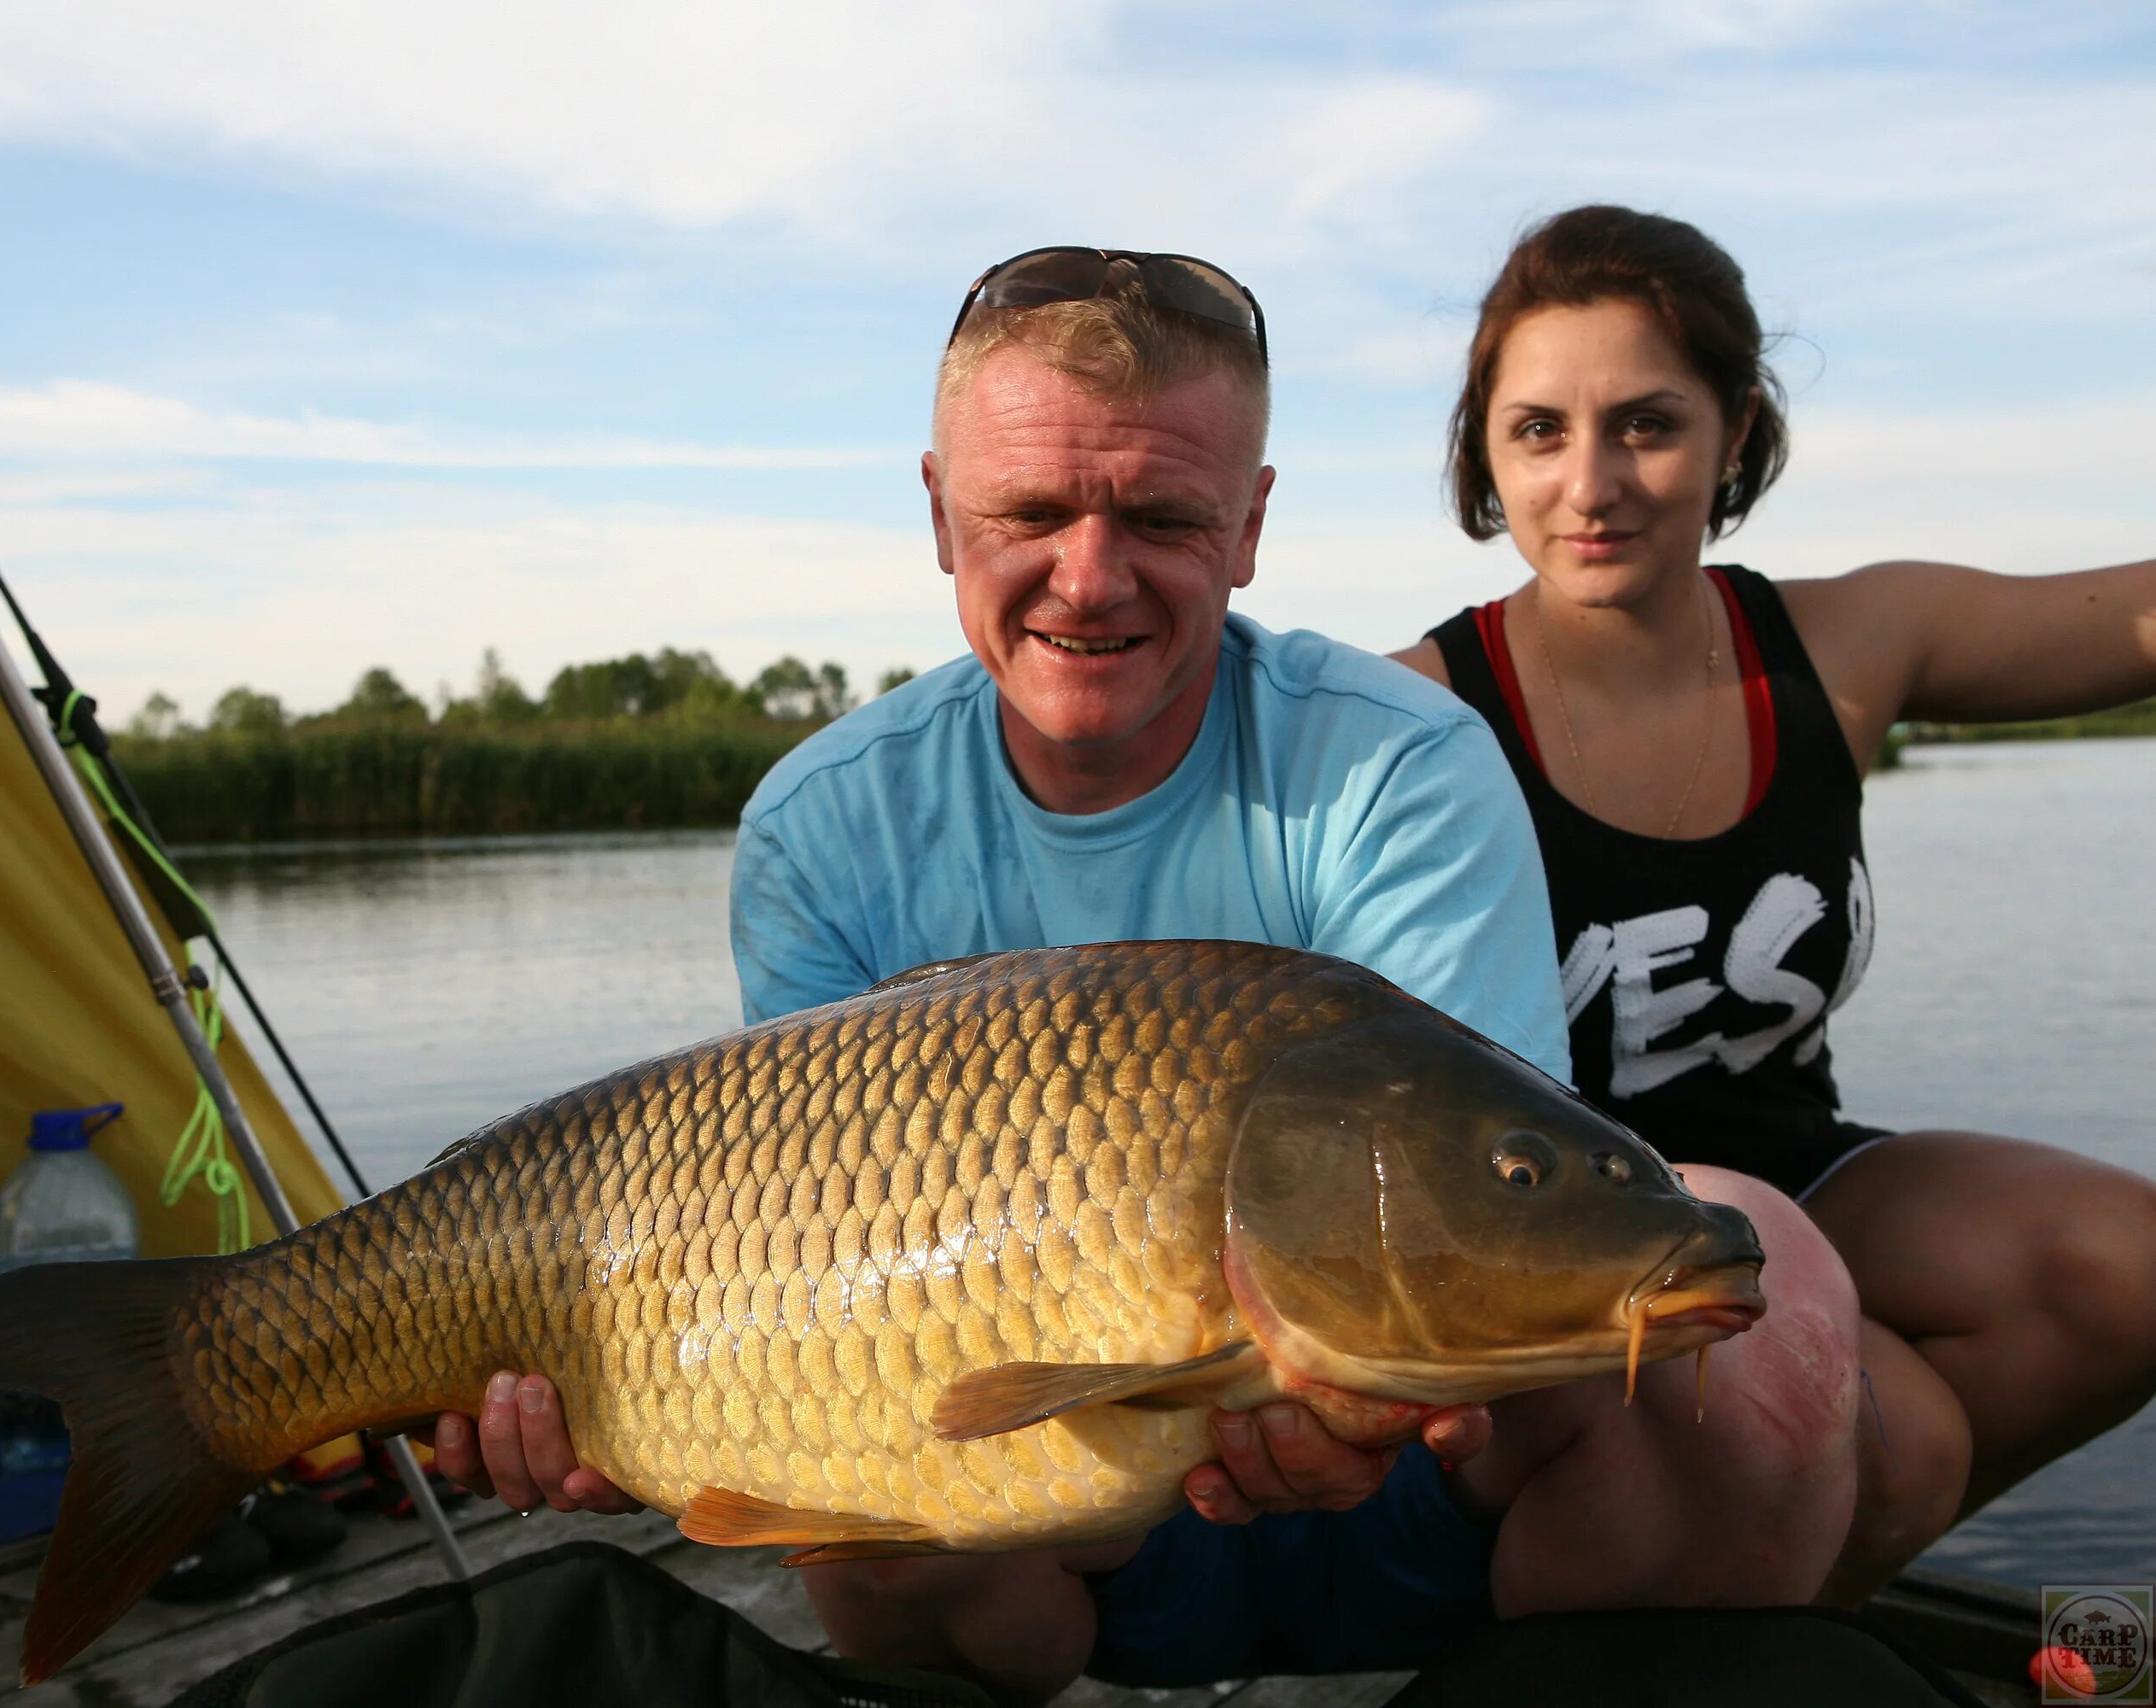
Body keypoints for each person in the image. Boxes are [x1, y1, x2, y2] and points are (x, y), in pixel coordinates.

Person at [437, 247, 1864, 1705]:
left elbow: (1479, 1202)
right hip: (1054, 1538)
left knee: (1776, 1288)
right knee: (853, 1488)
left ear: (1247, 527)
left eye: (1164, 517)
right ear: (941, 512)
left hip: (1446, 1488)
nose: (1091, 575)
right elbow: (807, 1262)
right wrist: (637, 1418)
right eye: (1030, 513)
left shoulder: (1401, 766)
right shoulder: (825, 822)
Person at [1391, 204, 2156, 1603]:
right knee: (1903, 1437)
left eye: (1648, 423)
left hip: (1797, 1173)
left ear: (1736, 431)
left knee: (2125, 1270)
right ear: (1486, 451)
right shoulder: (1419, 717)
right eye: (1540, 431)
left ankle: (1756, 1595)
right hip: (1554, 1235)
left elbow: (2136, 618)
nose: (1592, 483)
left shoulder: (1839, 648)